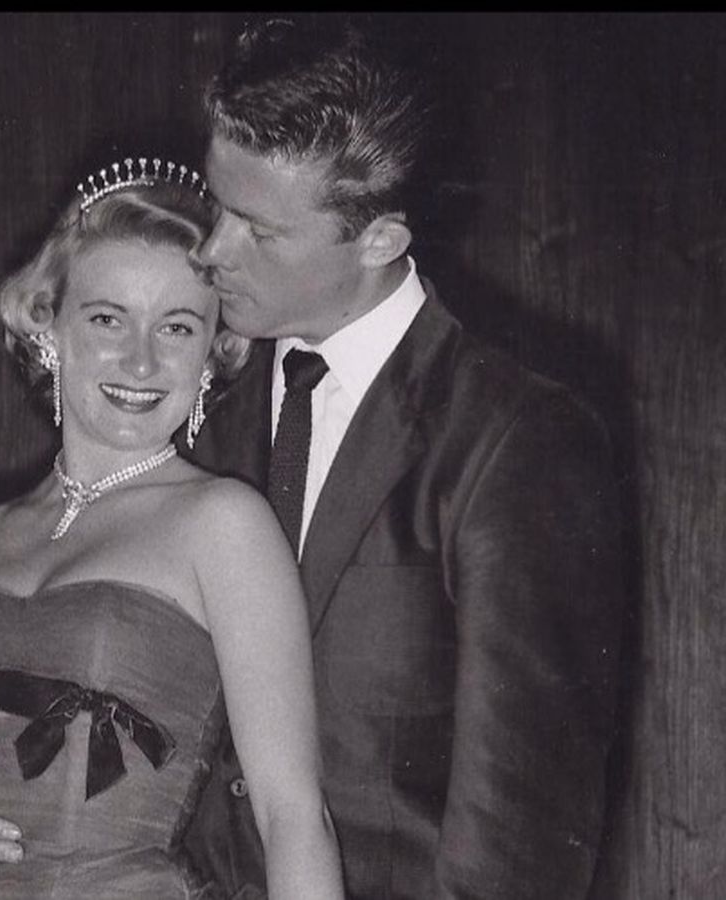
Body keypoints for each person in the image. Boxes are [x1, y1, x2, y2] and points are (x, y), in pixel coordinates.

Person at [179, 17, 626, 900]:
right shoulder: (194, 396)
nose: (210, 250)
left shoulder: (514, 439)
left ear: (380, 239)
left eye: (257, 231)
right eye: (215, 204)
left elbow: (521, 845)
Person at [0, 158, 345, 900]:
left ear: (212, 353)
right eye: (107, 319)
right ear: (48, 326)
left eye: (177, 327)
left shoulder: (223, 524)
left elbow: (293, 818)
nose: (141, 359)